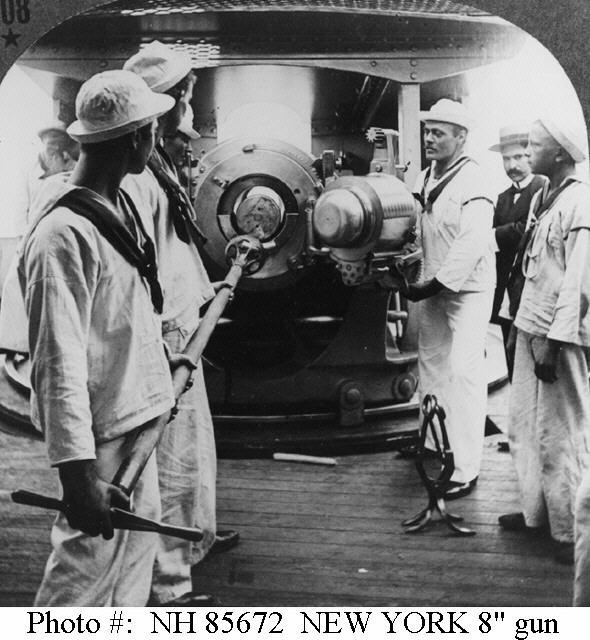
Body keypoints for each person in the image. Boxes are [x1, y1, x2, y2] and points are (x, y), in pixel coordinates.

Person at [18, 70, 176, 605]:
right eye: (152, 130)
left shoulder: (122, 206)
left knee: (132, 573)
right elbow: (56, 363)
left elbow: (121, 314)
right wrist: (77, 479)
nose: (154, 141)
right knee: (79, 586)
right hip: (99, 440)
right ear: (136, 138)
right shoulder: (62, 235)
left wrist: (159, 362)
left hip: (138, 420)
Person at [123, 41, 238, 607]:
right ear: (168, 106)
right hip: (165, 333)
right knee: (168, 454)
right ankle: (170, 584)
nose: (193, 113)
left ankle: (197, 537)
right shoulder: (138, 178)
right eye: (188, 100)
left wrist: (204, 288)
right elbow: (141, 266)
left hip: (184, 318)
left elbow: (172, 250)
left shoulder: (160, 164)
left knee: (193, 447)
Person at [498, 116, 590, 566]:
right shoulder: (543, 196)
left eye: (534, 145)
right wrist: (515, 321)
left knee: (562, 433)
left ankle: (571, 531)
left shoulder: (581, 203)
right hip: (531, 326)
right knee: (523, 425)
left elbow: (577, 282)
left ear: (558, 153)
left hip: (559, 336)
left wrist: (554, 341)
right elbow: (529, 268)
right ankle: (538, 513)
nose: (526, 151)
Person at [402, 98, 495, 500]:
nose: (430, 139)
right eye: (427, 132)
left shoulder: (475, 178)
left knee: (464, 370)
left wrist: (435, 283)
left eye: (438, 132)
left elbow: (472, 240)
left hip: (467, 289)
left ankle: (466, 466)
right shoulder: (426, 176)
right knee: (432, 362)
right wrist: (412, 266)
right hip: (432, 285)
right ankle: (432, 442)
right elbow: (424, 231)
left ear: (461, 137)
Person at [489, 125, 546, 378]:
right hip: (505, 289)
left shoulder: (543, 187)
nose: (511, 164)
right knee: (510, 355)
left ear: (530, 155)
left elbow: (530, 229)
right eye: (506, 158)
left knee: (532, 359)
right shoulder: (502, 197)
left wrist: (496, 234)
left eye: (517, 157)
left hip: (531, 287)